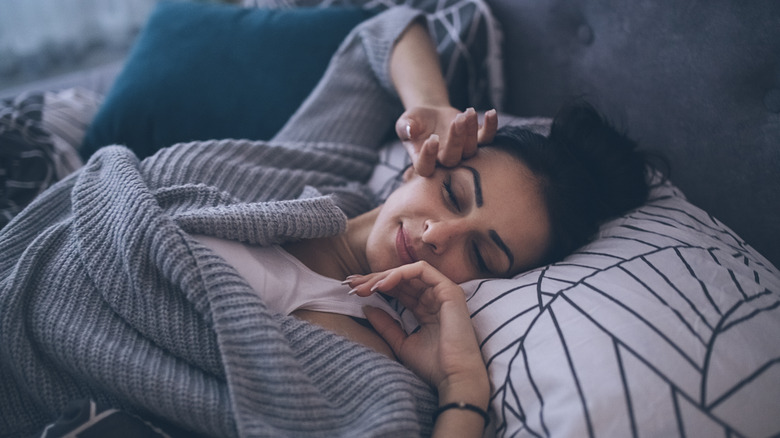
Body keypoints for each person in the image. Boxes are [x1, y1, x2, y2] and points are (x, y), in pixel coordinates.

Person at [0, 6, 650, 438]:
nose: (436, 237)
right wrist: (430, 104)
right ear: (421, 164)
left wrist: (461, 387)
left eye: (481, 256)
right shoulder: (323, 168)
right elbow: (385, 28)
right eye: (454, 195)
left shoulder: (379, 367)